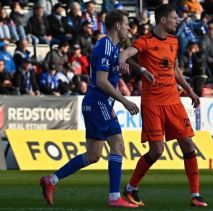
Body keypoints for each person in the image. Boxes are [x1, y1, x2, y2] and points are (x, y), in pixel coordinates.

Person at [39, 10, 139, 208]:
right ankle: (113, 197)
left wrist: (120, 69)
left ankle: (51, 180)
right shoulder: (104, 47)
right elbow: (101, 81)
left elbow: (106, 76)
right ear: (118, 26)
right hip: (97, 102)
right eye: (126, 24)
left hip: (100, 103)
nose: (129, 28)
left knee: (93, 155)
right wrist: (124, 101)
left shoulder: (112, 48)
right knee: (117, 145)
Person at [119, 4, 207, 207]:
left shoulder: (174, 41)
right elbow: (125, 54)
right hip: (152, 103)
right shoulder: (146, 41)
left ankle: (195, 194)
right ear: (163, 20)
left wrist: (189, 90)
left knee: (188, 144)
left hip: (173, 101)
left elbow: (175, 68)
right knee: (157, 150)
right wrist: (135, 67)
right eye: (174, 18)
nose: (177, 21)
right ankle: (131, 188)